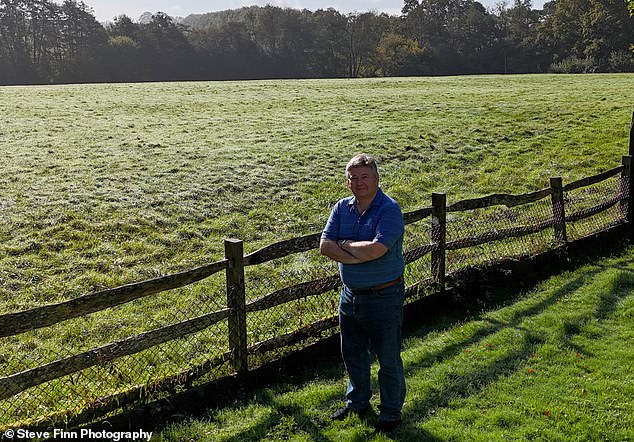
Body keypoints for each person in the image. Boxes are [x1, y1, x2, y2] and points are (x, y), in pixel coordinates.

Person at [320, 153, 406, 433]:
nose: (358, 183)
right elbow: (325, 246)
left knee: (388, 356)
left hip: (384, 295)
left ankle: (391, 411)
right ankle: (358, 401)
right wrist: (359, 254)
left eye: (364, 177)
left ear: (376, 179)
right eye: (353, 178)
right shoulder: (341, 208)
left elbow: (377, 250)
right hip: (350, 295)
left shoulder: (389, 209)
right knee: (353, 353)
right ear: (347, 183)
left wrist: (344, 245)